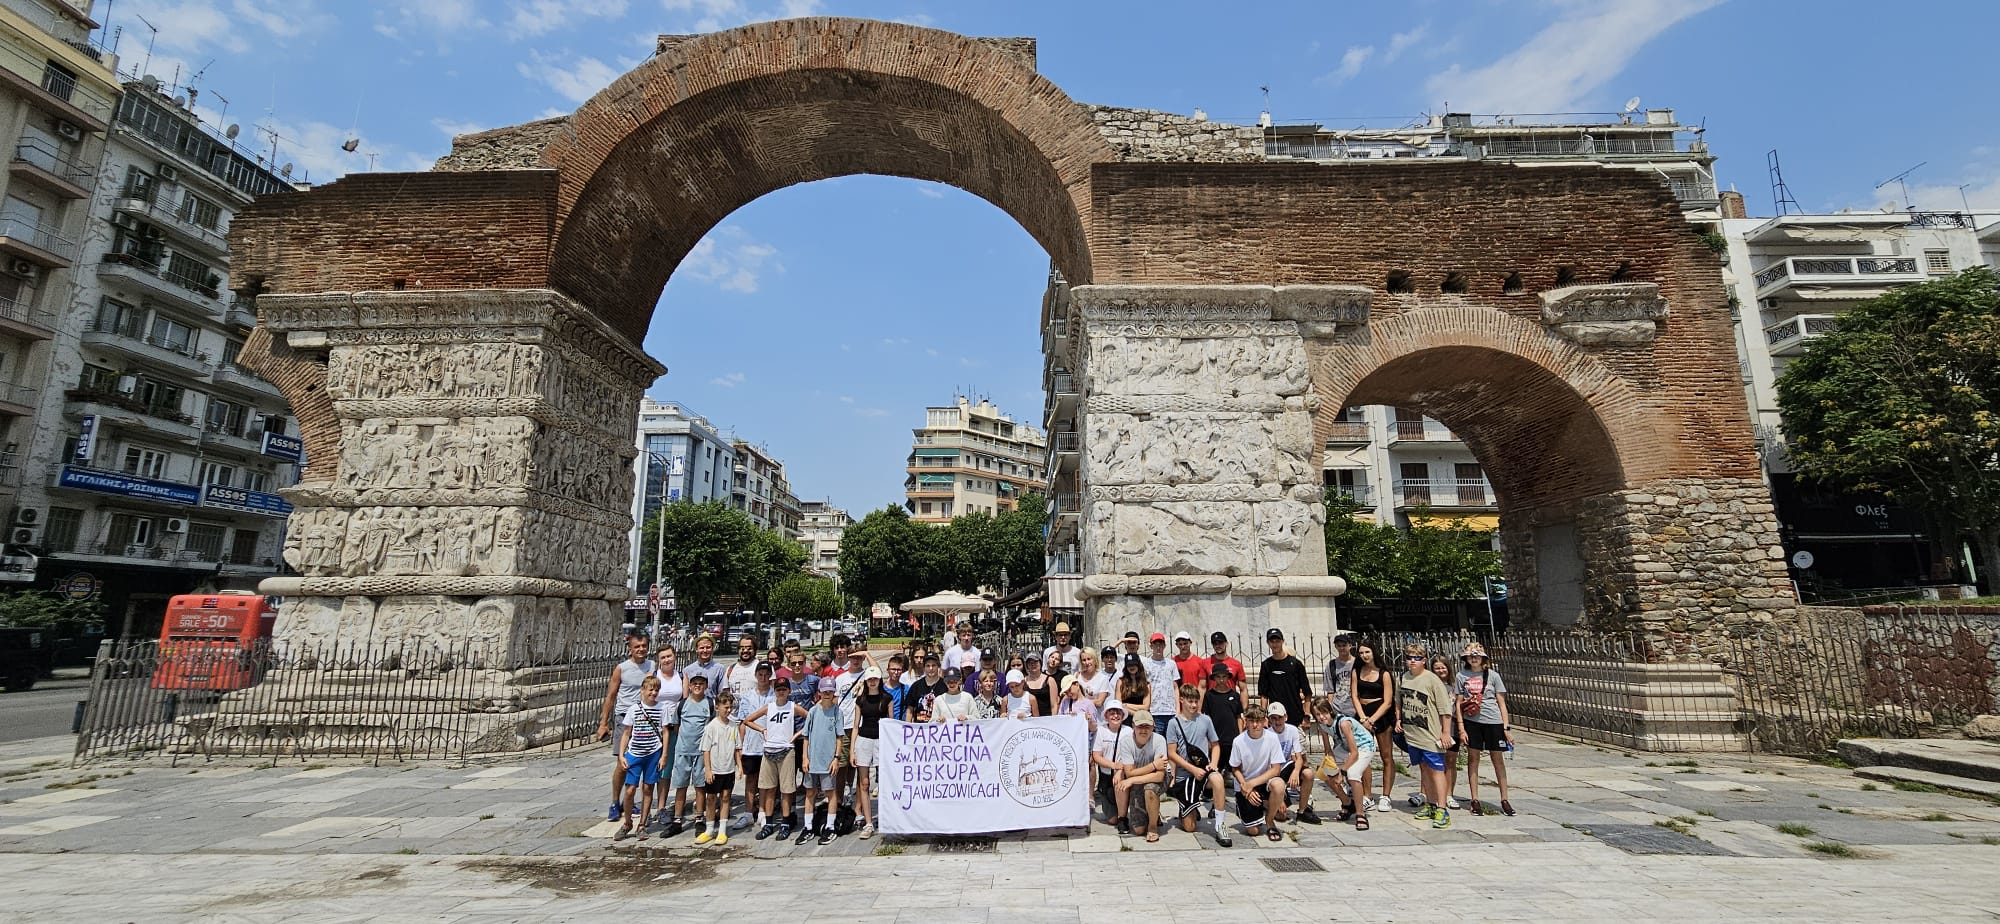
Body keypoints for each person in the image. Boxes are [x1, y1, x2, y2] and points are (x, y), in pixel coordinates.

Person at [1162, 683, 1232, 846]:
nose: (1194, 705)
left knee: (1218, 780)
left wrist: (1213, 764)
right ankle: (1187, 810)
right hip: (1185, 773)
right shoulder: (1174, 723)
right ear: (1182, 700)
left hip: (1204, 768)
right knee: (1190, 827)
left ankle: (1220, 824)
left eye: (1196, 701)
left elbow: (1215, 745)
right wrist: (1192, 769)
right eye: (1190, 701)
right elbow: (1171, 753)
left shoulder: (1205, 720)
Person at [1396, 643, 1455, 829]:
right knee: (1424, 769)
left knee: (1437, 770)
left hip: (1431, 734)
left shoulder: (1432, 680)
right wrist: (1398, 719)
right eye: (1409, 658)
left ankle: (1442, 808)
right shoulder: (1403, 678)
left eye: (1417, 658)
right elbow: (1399, 701)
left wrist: (1446, 732)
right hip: (1413, 734)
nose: (1412, 661)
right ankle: (1430, 804)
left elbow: (1445, 709)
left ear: (1424, 661)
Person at [597, 635, 655, 822]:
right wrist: (603, 723)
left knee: (641, 761)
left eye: (644, 646)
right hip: (624, 717)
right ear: (630, 649)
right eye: (637, 646)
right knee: (622, 763)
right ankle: (615, 802)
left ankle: (629, 801)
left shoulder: (652, 666)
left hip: (644, 718)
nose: (641, 649)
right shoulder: (621, 668)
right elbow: (611, 696)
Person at [1456, 643, 1516, 816]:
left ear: (1483, 658)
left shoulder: (1493, 676)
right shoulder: (1461, 676)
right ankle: (1474, 799)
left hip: (1493, 721)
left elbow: (1501, 703)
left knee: (1497, 759)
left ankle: (1504, 799)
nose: (1474, 658)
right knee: (1473, 759)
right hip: (1472, 721)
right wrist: (1461, 728)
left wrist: (1506, 727)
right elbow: (1459, 703)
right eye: (1470, 656)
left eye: (1477, 656)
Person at [744, 677, 804, 841]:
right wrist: (762, 730)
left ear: (789, 691)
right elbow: (748, 720)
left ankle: (785, 823)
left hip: (786, 750)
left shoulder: (792, 706)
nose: (781, 692)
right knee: (769, 788)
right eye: (778, 689)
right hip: (769, 750)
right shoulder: (769, 707)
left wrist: (797, 734)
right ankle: (769, 823)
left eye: (784, 689)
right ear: (775, 691)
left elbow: (810, 717)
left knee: (786, 789)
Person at [1312, 695, 1379, 831]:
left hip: (1363, 746)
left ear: (1330, 711)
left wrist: (1342, 772)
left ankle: (1360, 813)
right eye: (1317, 714)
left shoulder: (1344, 723)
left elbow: (1355, 753)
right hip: (1345, 747)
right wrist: (1331, 766)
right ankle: (1347, 802)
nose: (1322, 717)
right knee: (1323, 772)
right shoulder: (1322, 726)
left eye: (1324, 712)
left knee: (1353, 774)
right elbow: (1328, 750)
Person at [614, 674, 667, 841]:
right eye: (650, 689)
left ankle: (642, 824)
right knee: (630, 789)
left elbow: (665, 732)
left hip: (653, 752)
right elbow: (626, 733)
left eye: (656, 690)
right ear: (643, 690)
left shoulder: (662, 708)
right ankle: (627, 822)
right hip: (635, 753)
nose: (653, 693)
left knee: (648, 788)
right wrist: (621, 755)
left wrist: (664, 755)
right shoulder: (634, 709)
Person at [1229, 704, 1288, 841]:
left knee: (1279, 786)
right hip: (1245, 783)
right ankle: (1259, 805)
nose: (1255, 725)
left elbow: (1276, 769)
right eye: (1251, 721)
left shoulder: (1272, 738)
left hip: (1264, 781)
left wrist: (1252, 784)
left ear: (1264, 721)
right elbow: (1235, 768)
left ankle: (1269, 820)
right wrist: (1246, 787)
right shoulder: (1238, 741)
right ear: (1246, 721)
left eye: (1258, 721)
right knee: (1253, 831)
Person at [666, 673, 714, 837]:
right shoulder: (682, 704)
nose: (698, 686)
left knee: (700, 786)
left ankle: (699, 818)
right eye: (695, 683)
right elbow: (677, 726)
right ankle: (677, 820)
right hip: (683, 751)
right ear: (690, 686)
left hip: (701, 752)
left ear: (705, 686)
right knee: (681, 785)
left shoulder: (709, 704)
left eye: (701, 683)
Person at [1352, 639, 1398, 811]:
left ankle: (1386, 795)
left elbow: (1388, 701)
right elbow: (1354, 695)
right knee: (1363, 756)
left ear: (1373, 652)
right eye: (1361, 653)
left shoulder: (1384, 673)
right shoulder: (1356, 671)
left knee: (1386, 755)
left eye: (1367, 652)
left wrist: (1371, 720)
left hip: (1380, 714)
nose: (1364, 655)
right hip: (1362, 713)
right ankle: (1367, 795)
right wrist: (1363, 718)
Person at [797, 682, 845, 845]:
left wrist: (836, 758)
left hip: (828, 761)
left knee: (830, 793)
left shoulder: (837, 712)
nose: (827, 694)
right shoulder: (813, 711)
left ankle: (830, 827)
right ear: (819, 692)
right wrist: (805, 757)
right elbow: (806, 736)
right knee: (810, 792)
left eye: (830, 691)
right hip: (813, 760)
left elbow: (839, 737)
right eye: (825, 691)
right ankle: (808, 826)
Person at [851, 666, 893, 839]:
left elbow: (891, 723)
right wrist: (852, 751)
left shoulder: (887, 698)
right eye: (870, 679)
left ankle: (886, 818)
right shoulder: (860, 700)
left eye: (875, 679)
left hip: (881, 740)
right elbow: (855, 725)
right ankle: (868, 822)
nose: (873, 682)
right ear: (866, 681)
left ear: (879, 680)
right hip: (864, 740)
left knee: (884, 782)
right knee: (864, 783)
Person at [1114, 711, 1170, 842]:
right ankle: (1152, 812)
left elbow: (1159, 776)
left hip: (1155, 778)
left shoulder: (1159, 740)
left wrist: (1132, 779)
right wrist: (1153, 765)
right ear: (1133, 726)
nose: (1144, 730)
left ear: (1153, 726)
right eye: (1140, 726)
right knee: (1138, 830)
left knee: (1150, 788)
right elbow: (1129, 772)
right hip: (1141, 777)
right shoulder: (1126, 741)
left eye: (1147, 726)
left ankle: (1153, 827)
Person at [696, 690, 740, 845]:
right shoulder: (711, 727)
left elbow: (737, 748)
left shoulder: (733, 726)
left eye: (730, 707)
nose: (728, 710)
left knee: (726, 797)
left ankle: (722, 830)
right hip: (715, 769)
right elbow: (706, 750)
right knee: (711, 798)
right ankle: (709, 829)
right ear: (717, 707)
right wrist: (708, 770)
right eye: (725, 707)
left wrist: (740, 767)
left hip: (728, 768)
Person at [737, 661, 776, 834]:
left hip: (768, 744)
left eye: (766, 674)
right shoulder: (747, 696)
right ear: (756, 675)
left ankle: (762, 811)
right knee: (751, 779)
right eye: (760, 674)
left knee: (765, 779)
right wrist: (740, 745)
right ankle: (748, 811)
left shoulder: (775, 695)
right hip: (751, 745)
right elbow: (743, 722)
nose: (763, 677)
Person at [1267, 702, 1321, 824]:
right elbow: (1267, 766)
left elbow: (1299, 757)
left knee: (1308, 774)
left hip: (1286, 766)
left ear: (1285, 717)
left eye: (1280, 717)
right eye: (1273, 718)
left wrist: (1296, 772)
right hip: (1272, 771)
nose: (1277, 721)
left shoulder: (1292, 730)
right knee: (1281, 815)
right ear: (1269, 720)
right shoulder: (1267, 735)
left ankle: (1303, 810)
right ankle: (1269, 802)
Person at [649, 645, 685, 820]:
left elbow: (684, 701)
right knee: (651, 766)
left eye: (669, 656)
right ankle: (647, 806)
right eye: (663, 657)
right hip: (654, 727)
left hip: (672, 726)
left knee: (666, 767)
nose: (667, 660)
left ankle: (661, 806)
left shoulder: (681, 676)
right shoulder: (654, 676)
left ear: (674, 656)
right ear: (659, 660)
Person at [1429, 655, 1463, 811]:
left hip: (1452, 725)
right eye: (1437, 668)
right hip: (1435, 726)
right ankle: (1434, 794)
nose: (1440, 670)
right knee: (1434, 761)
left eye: (1443, 667)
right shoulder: (1430, 685)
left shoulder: (1454, 687)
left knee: (1450, 760)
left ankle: (1449, 794)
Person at [1258, 628, 1311, 725]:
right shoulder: (1266, 665)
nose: (1275, 644)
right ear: (1268, 643)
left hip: (1295, 715)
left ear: (1282, 641)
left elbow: (1307, 692)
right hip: (1275, 717)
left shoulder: (1296, 664)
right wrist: (1263, 717)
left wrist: (1307, 715)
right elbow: (1264, 694)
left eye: (1277, 641)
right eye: (1272, 641)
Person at [1090, 701, 1131, 824]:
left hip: (1123, 773)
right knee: (1112, 820)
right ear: (1106, 716)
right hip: (1106, 776)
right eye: (1112, 713)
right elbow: (1096, 756)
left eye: (1118, 713)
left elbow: (1131, 755)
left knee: (1121, 784)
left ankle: (1123, 816)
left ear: (1122, 715)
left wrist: (1120, 769)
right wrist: (1113, 765)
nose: (1115, 716)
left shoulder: (1128, 731)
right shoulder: (1100, 731)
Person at [1202, 661, 1245, 776]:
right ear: (1214, 678)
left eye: (1224, 676)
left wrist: (1240, 736)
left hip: (1232, 739)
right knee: (1216, 770)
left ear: (1228, 677)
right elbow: (1206, 718)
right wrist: (1208, 738)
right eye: (1218, 677)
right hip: (1216, 739)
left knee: (1234, 770)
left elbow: (1238, 717)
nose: (1221, 680)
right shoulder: (1209, 696)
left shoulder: (1234, 695)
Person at [1141, 632, 1180, 732]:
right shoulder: (1145, 664)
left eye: (1161, 645)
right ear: (1151, 646)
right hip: (1155, 712)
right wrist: (1147, 710)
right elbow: (1144, 688)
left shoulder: (1171, 664)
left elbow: (1175, 687)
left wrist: (1178, 709)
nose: (1158, 648)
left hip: (1171, 712)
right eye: (1155, 645)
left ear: (1164, 646)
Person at [1324, 634, 1358, 721]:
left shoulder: (1357, 663)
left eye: (1344, 645)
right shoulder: (1331, 665)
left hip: (1355, 707)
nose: (1342, 648)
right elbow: (1330, 690)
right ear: (1336, 647)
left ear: (1350, 646)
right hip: (1338, 708)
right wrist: (1331, 708)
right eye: (1339, 646)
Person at [904, 654, 947, 722]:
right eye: (928, 666)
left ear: (938, 666)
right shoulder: (916, 686)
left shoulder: (945, 686)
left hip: (940, 726)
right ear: (924, 667)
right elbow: (910, 711)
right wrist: (907, 726)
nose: (931, 668)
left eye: (933, 665)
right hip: (920, 726)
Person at [725, 636, 761, 706]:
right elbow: (725, 694)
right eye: (742, 648)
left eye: (749, 648)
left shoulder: (762, 667)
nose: (745, 651)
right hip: (735, 712)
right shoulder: (730, 669)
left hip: (756, 711)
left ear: (755, 650)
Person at [1115, 652, 1151, 718]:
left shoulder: (1146, 684)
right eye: (1129, 665)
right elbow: (1118, 705)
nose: (1131, 667)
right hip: (1126, 718)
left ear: (1138, 665)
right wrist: (1135, 714)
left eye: (1134, 664)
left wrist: (1126, 705)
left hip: (1142, 719)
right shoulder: (1121, 682)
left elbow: (1146, 707)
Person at [1021, 652, 1057, 718]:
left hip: (1047, 718)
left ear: (1040, 663)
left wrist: (1053, 719)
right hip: (1029, 719)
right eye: (1030, 663)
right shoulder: (1023, 681)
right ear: (1027, 665)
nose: (1033, 664)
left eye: (1035, 662)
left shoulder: (1050, 680)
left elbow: (1054, 705)